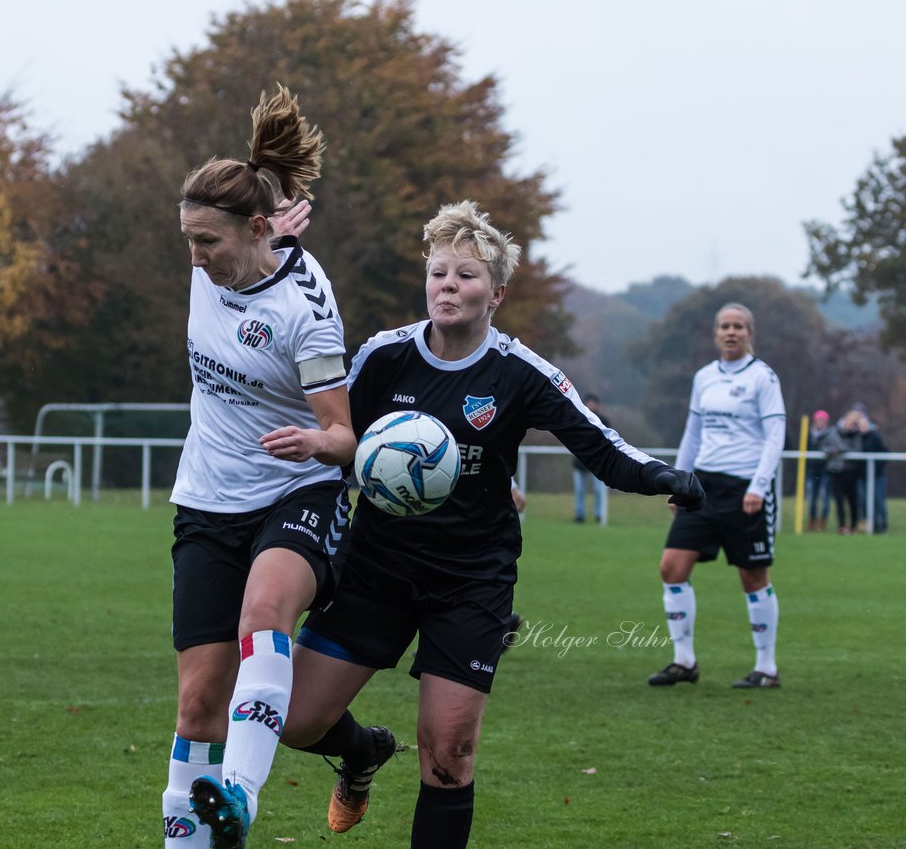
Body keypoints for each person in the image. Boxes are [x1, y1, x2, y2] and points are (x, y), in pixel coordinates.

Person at [276, 201, 703, 848]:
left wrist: (665, 476)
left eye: (467, 275)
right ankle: (363, 753)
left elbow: (600, 444)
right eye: (439, 273)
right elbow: (338, 438)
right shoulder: (385, 357)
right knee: (294, 719)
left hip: (470, 581)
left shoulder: (519, 372)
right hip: (374, 568)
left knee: (448, 756)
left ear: (496, 293)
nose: (448, 285)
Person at [161, 85, 358, 849]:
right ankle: (187, 841)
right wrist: (258, 227)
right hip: (207, 499)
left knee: (261, 617)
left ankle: (239, 794)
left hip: (295, 489)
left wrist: (317, 442)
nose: (194, 257)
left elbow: (345, 435)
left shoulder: (306, 314)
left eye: (207, 242)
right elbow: (244, 234)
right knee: (196, 707)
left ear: (252, 230)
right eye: (188, 240)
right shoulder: (212, 261)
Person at [648, 303, 787, 690]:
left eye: (739, 326)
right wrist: (678, 482)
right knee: (672, 567)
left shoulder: (763, 378)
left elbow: (775, 435)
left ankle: (766, 667)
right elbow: (693, 433)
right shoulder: (705, 377)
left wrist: (759, 485)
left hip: (745, 489)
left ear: (750, 333)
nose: (731, 332)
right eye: (725, 326)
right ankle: (684, 661)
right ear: (715, 333)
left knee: (753, 575)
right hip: (704, 487)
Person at [571, 393, 610, 522]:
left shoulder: (603, 421)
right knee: (579, 490)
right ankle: (579, 515)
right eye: (589, 402)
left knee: (599, 490)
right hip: (581, 461)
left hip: (598, 462)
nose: (591, 405)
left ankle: (599, 515)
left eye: (593, 402)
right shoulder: (578, 418)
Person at [831, 409, 864, 535]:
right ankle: (842, 526)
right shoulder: (835, 432)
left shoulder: (856, 436)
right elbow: (827, 446)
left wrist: (840, 449)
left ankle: (854, 526)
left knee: (852, 500)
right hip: (837, 471)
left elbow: (857, 449)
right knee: (839, 500)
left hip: (851, 471)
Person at [806, 410, 836, 531]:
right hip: (812, 471)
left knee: (824, 498)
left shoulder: (831, 434)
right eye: (819, 420)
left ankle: (822, 523)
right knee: (812, 498)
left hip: (825, 471)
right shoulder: (809, 434)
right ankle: (812, 522)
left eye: (823, 420)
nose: (821, 422)